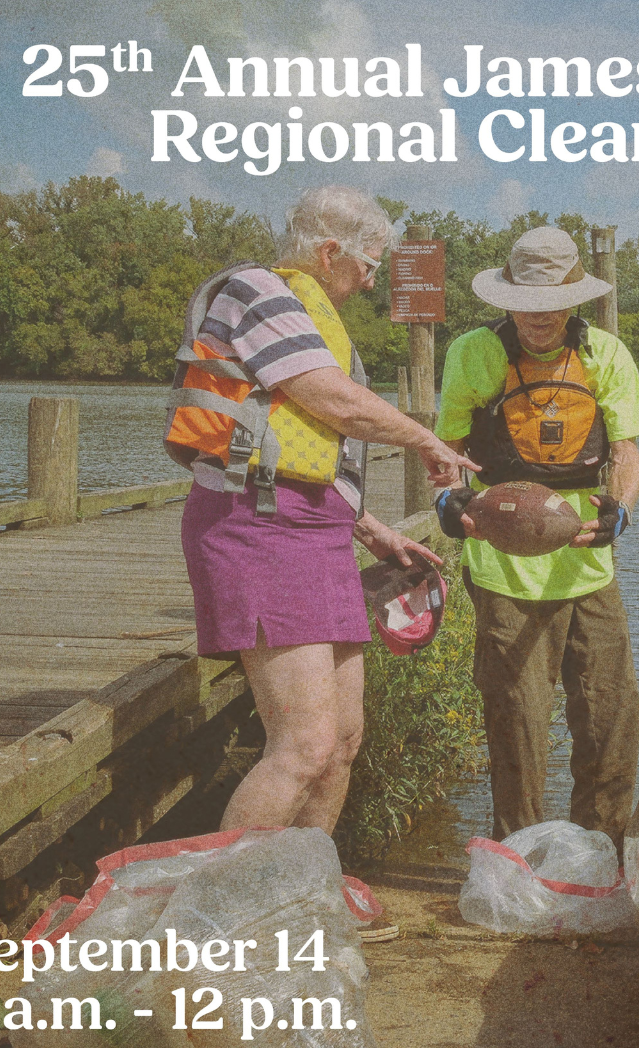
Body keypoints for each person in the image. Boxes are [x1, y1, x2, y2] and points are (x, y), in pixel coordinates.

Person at [171, 185, 477, 847]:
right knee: (302, 746)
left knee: (340, 742)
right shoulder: (256, 293)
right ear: (331, 250)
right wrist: (427, 440)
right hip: (257, 527)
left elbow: (312, 446)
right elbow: (330, 400)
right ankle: (221, 914)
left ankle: (307, 893)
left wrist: (369, 528)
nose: (370, 282)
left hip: (316, 531)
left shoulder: (310, 318)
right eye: (368, 266)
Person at [434, 226, 639, 850]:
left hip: (587, 558)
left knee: (611, 711)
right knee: (519, 716)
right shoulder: (474, 353)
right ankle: (516, 855)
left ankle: (600, 849)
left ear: (574, 299)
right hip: (503, 560)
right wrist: (448, 498)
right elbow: (447, 452)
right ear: (507, 299)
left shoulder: (606, 354)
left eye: (552, 303)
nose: (539, 317)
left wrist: (623, 511)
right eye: (527, 304)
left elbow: (630, 454)